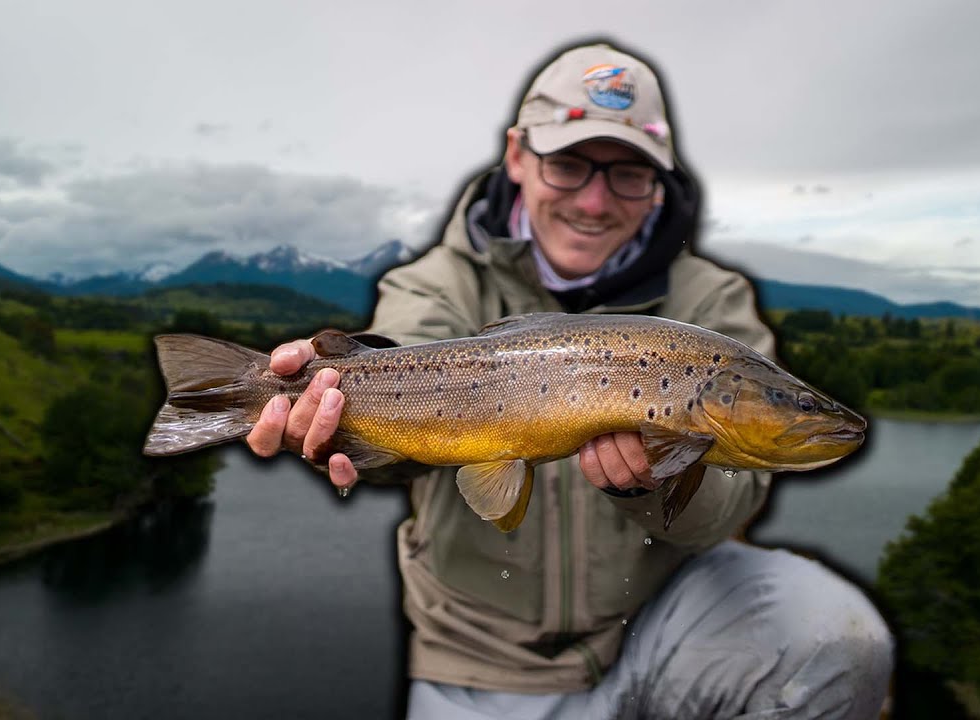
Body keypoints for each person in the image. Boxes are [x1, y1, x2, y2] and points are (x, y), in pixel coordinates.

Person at [246, 41, 893, 719]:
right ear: (519, 156)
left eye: (627, 174)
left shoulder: (713, 306)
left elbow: (730, 507)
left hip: (662, 629)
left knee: (833, 636)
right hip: (480, 656)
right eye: (570, 165)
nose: (594, 200)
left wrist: (657, 480)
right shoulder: (435, 283)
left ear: (660, 183)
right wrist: (331, 415)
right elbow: (408, 364)